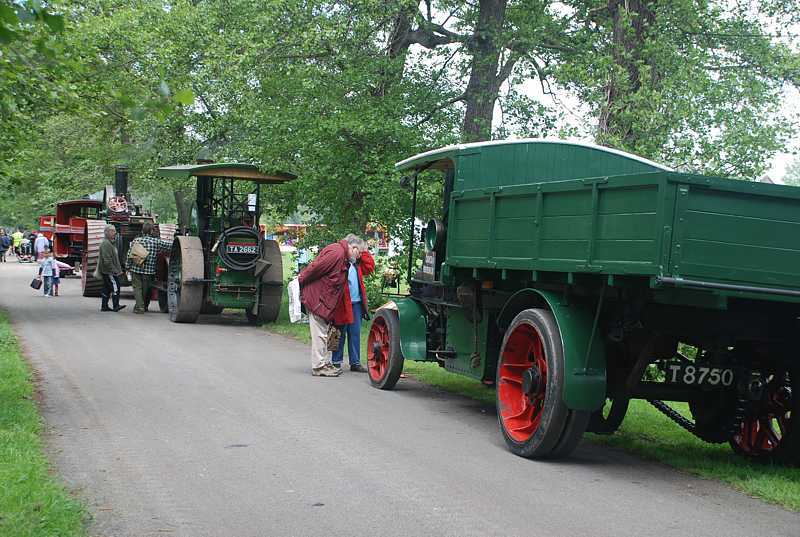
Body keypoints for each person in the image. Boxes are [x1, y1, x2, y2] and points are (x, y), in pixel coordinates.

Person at [298, 234, 362, 377]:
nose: (359, 256)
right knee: (320, 334)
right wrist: (300, 280)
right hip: (317, 299)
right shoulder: (337, 253)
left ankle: (324, 364)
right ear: (353, 247)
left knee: (325, 334)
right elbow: (315, 269)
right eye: (360, 252)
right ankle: (319, 366)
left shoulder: (341, 255)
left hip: (323, 301)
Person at [331, 239, 375, 372]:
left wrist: (363, 253)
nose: (356, 252)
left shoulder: (357, 264)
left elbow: (370, 266)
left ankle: (355, 362)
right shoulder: (340, 261)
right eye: (354, 248)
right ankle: (335, 361)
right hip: (341, 303)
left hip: (356, 304)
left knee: (355, 333)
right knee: (337, 331)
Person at [125, 222, 172, 314]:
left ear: (142, 230)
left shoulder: (136, 240)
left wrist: (127, 266)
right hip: (149, 272)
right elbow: (169, 246)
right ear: (151, 231)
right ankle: (141, 306)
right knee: (145, 290)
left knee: (137, 288)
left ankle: (139, 307)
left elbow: (129, 254)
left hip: (136, 269)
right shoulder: (156, 242)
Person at [98, 225, 126, 312]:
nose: (115, 233)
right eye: (113, 231)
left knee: (106, 288)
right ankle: (116, 305)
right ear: (107, 232)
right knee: (115, 287)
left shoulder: (109, 243)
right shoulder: (106, 244)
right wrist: (115, 270)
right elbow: (107, 260)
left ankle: (104, 306)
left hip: (107, 270)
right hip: (109, 271)